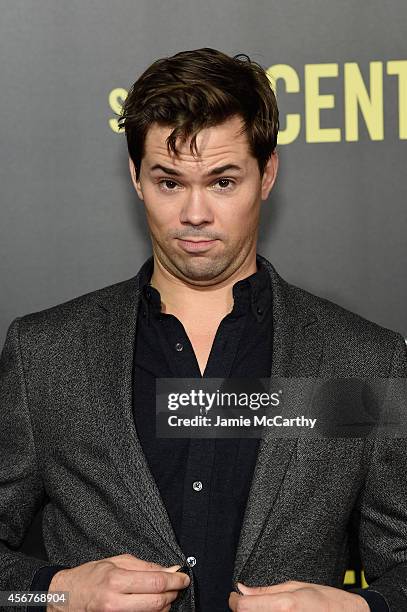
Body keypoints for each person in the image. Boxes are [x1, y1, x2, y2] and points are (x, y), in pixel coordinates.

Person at [0, 47, 406, 612]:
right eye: (169, 182)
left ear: (267, 175)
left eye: (222, 181)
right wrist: (52, 591)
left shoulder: (363, 360)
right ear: (137, 179)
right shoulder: (45, 353)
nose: (194, 213)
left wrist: (364, 608)